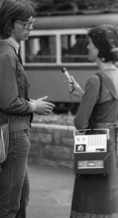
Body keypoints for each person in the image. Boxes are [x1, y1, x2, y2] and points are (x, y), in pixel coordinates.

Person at [0, 0, 55, 218]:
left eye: (32, 22)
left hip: (9, 131)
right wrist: (34, 106)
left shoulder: (2, 51)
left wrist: (31, 103)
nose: (30, 28)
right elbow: (9, 102)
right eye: (26, 23)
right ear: (9, 23)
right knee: (10, 204)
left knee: (19, 198)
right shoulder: (6, 55)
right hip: (12, 134)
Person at [67, 24, 118, 217]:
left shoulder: (96, 80)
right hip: (113, 146)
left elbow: (80, 123)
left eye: (90, 44)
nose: (87, 47)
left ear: (99, 48)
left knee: (89, 199)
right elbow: (107, 107)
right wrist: (83, 94)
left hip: (95, 149)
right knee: (109, 199)